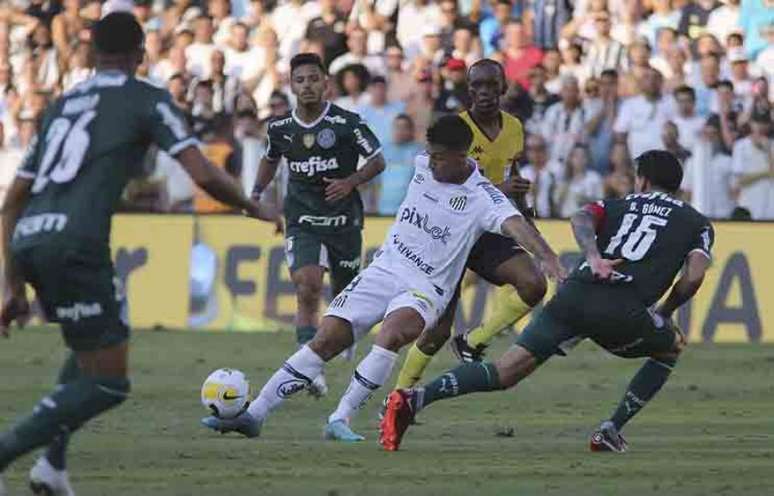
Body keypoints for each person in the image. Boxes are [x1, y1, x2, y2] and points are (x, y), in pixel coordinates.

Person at [0, 12, 275, 496]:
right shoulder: (147, 99)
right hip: (77, 243)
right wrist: (254, 207)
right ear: (142, 53)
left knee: (101, 335)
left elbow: (13, 201)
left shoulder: (61, 105)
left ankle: (52, 468)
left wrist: (11, 281)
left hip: (31, 238)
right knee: (107, 384)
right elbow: (205, 175)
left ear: (90, 54)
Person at [200, 114, 565, 441]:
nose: (430, 160)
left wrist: (547, 256)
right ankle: (255, 415)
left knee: (392, 334)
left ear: (461, 155)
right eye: (430, 153)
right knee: (327, 339)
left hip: (426, 287)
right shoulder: (424, 163)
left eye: (439, 156)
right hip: (385, 267)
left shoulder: (484, 197)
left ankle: (341, 418)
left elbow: (516, 225)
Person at [382, 150, 715, 453]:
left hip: (575, 292)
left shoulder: (619, 204)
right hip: (622, 311)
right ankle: (610, 429)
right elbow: (695, 275)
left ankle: (414, 398)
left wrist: (593, 256)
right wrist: (665, 312)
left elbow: (580, 217)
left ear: (642, 179)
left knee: (505, 371)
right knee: (671, 346)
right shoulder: (697, 223)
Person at [390, 59, 549, 398]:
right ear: (468, 91)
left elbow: (511, 174)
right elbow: (436, 183)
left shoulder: (514, 128)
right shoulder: (454, 129)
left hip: (488, 233)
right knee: (436, 331)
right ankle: (398, 397)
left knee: (534, 284)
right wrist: (499, 191)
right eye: (477, 86)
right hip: (451, 232)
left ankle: (473, 341)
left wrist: (526, 217)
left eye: (492, 86)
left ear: (504, 88)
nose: (485, 93)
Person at [248, 53, 386, 395]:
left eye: (313, 79)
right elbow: (270, 160)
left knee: (345, 295)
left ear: (325, 83)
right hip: (301, 218)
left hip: (343, 220)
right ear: (291, 85)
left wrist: (350, 182)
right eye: (300, 80)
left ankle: (344, 336)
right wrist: (255, 194)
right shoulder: (280, 128)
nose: (307, 85)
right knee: (307, 286)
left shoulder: (346, 123)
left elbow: (378, 160)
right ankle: (309, 369)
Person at [682, 114, 735, 218]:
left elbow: (734, 191)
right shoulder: (691, 162)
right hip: (698, 214)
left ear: (719, 136)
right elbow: (687, 192)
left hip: (723, 214)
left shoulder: (727, 161)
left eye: (713, 134)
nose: (709, 137)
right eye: (706, 133)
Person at [378, 114, 423, 215]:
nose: (400, 131)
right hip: (384, 210)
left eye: (404, 128)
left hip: (409, 213)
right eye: (397, 127)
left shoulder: (420, 152)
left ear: (412, 130)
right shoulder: (383, 150)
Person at [732, 113, 774, 220]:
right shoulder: (741, 146)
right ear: (751, 124)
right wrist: (765, 173)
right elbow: (740, 180)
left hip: (770, 207)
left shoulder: (771, 146)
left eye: (764, 123)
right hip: (748, 206)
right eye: (757, 122)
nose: (760, 126)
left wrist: (768, 151)